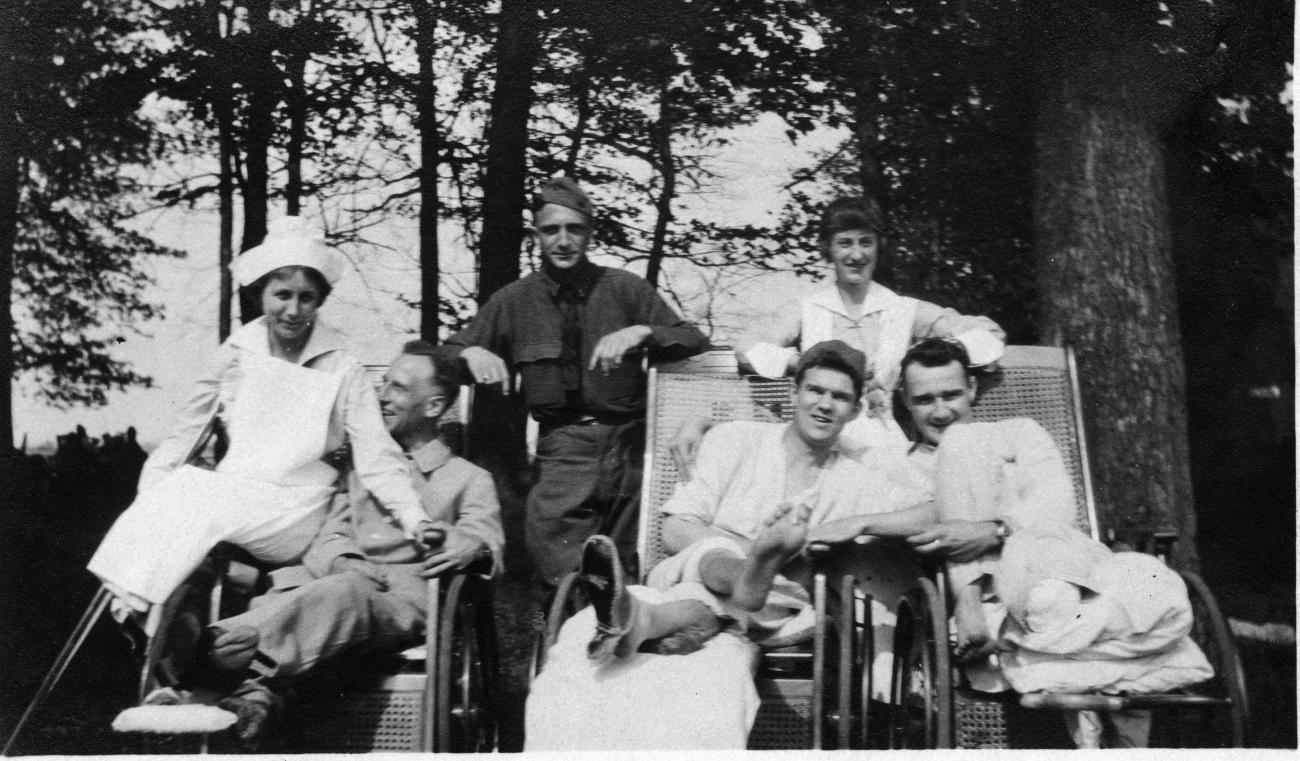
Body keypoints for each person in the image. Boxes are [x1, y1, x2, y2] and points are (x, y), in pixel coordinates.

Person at [525, 341, 934, 750]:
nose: (825, 404)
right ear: (794, 392)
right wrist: (751, 547)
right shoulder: (736, 441)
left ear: (856, 410)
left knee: (762, 583)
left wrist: (859, 521)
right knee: (713, 555)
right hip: (695, 577)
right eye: (815, 390)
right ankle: (751, 568)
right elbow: (676, 530)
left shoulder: (853, 479)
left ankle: (644, 618)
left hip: (780, 612)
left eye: (840, 397)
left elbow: (933, 512)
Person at [149, 341, 505, 747]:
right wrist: (343, 561)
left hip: (403, 600)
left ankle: (204, 658)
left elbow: (485, 538)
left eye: (399, 388)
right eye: (382, 383)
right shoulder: (356, 468)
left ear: (435, 407)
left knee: (342, 595)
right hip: (326, 591)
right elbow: (328, 535)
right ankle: (248, 695)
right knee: (306, 590)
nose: (381, 395)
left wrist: (473, 545)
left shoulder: (467, 478)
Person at [88, 217, 431, 630]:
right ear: (260, 294)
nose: (293, 309)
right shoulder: (235, 355)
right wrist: (146, 503)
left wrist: (416, 518)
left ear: (320, 299)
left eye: (307, 297)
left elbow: (377, 456)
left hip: (298, 509)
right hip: (235, 493)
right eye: (281, 295)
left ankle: (135, 609)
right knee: (180, 486)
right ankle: (158, 628)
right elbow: (183, 438)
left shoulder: (343, 366)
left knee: (192, 498)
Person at [894, 338, 1212, 748]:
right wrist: (971, 587)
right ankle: (1100, 695)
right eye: (925, 400)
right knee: (1052, 606)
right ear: (905, 400)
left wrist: (994, 530)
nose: (941, 411)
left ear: (972, 388)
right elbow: (917, 534)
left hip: (1070, 563)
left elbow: (1057, 506)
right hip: (1000, 600)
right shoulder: (903, 470)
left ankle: (1086, 679)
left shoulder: (1020, 432)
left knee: (1159, 592)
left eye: (951, 394)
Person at [443, 176, 708, 586]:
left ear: (590, 232)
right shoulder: (514, 300)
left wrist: (643, 332)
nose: (563, 241)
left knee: (627, 575)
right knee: (560, 572)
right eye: (551, 230)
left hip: (631, 451)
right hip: (562, 452)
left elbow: (693, 338)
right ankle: (560, 641)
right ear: (536, 236)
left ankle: (621, 641)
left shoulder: (624, 288)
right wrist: (469, 352)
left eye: (575, 229)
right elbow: (442, 355)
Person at [735, 195, 1005, 451]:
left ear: (879, 246)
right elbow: (747, 348)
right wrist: (804, 362)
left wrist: (943, 348)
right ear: (828, 248)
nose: (856, 255)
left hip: (882, 438)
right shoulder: (806, 309)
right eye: (845, 243)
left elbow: (989, 335)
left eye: (866, 242)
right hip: (820, 435)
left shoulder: (902, 309)